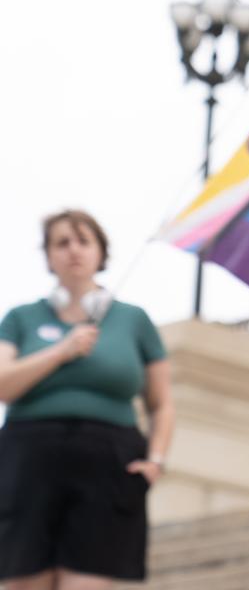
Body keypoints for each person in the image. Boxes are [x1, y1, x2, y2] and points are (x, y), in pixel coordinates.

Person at [0, 210, 175, 590]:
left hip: (107, 470)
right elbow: (2, 384)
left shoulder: (133, 321)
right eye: (61, 242)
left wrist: (156, 460)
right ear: (48, 256)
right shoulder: (21, 318)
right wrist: (62, 351)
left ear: (101, 252)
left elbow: (161, 403)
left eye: (83, 241)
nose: (73, 250)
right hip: (27, 468)